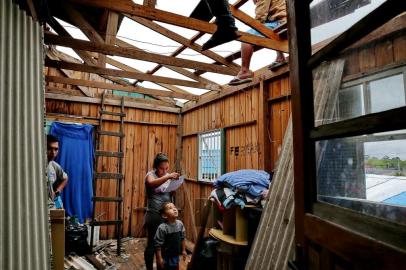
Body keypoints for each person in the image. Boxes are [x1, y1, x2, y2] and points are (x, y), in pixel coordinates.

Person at [229, 0, 287, 85]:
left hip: (278, 22)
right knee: (271, 31)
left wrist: (255, 27)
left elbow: (261, 14)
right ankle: (280, 57)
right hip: (283, 20)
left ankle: (245, 71)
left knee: (246, 37)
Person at [144, 153, 180, 270]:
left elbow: (169, 194)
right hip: (154, 214)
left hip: (166, 215)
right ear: (155, 166)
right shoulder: (150, 175)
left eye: (166, 168)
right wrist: (168, 177)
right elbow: (151, 183)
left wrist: (173, 188)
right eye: (161, 168)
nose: (164, 171)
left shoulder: (167, 176)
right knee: (152, 244)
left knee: (165, 245)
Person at [154, 202, 187, 270]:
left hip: (175, 255)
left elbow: (183, 238)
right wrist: (160, 259)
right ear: (164, 215)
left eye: (174, 207)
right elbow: (158, 245)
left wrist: (184, 250)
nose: (174, 209)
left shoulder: (180, 224)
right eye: (170, 208)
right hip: (165, 257)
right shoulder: (162, 228)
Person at [46, 134, 68, 208]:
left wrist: (58, 190)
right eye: (49, 148)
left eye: (56, 149)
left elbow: (65, 178)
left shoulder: (54, 166)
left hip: (51, 206)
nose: (53, 152)